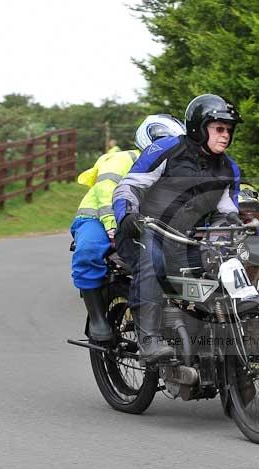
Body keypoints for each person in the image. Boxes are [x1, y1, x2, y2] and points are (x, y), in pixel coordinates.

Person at [113, 93, 243, 365]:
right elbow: (129, 187)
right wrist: (128, 216)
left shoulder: (229, 168)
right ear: (198, 127)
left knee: (226, 265)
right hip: (144, 229)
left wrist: (224, 232)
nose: (225, 136)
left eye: (229, 130)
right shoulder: (167, 149)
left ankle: (227, 357)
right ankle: (149, 339)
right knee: (153, 259)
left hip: (186, 241)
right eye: (219, 129)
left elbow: (227, 213)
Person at [71, 114, 185, 344]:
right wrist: (113, 227)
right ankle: (97, 318)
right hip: (97, 217)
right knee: (90, 249)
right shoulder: (122, 159)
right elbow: (106, 192)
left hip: (138, 222)